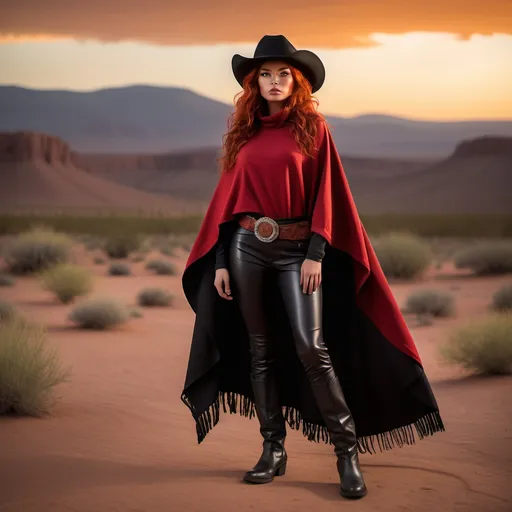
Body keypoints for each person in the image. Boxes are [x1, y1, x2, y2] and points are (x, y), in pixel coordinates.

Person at [180, 35, 444, 500]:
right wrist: (220, 261)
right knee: (260, 349)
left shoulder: (314, 128)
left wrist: (316, 254)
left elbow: (330, 196)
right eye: (265, 74)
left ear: (296, 80)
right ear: (253, 82)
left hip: (296, 251)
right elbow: (225, 203)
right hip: (245, 248)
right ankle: (272, 449)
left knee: (311, 347)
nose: (274, 81)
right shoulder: (242, 133)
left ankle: (347, 454)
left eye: (283, 73)